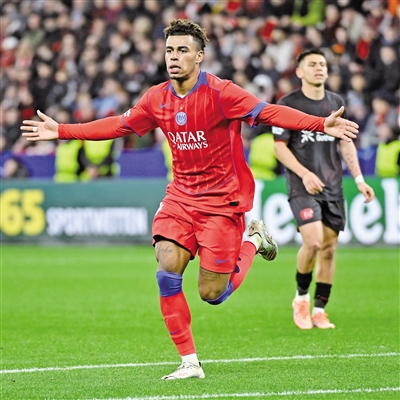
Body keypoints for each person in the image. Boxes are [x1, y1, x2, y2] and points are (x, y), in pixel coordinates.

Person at [21, 20, 360, 380]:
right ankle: (189, 362)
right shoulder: (157, 97)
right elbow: (119, 125)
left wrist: (319, 124)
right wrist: (62, 130)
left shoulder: (222, 93)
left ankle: (254, 240)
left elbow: (268, 111)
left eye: (182, 50)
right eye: (169, 50)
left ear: (199, 56)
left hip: (222, 203)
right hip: (181, 197)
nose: (174, 56)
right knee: (166, 269)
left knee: (213, 293)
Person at [272, 48, 375, 330]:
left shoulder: (336, 102)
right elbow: (279, 148)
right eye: (312, 64)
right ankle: (301, 299)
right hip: (302, 185)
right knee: (314, 242)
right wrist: (304, 174)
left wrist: (359, 179)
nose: (319, 68)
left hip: (332, 186)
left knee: (328, 250)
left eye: (322, 64)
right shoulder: (288, 103)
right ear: (299, 71)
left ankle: (319, 310)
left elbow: (345, 142)